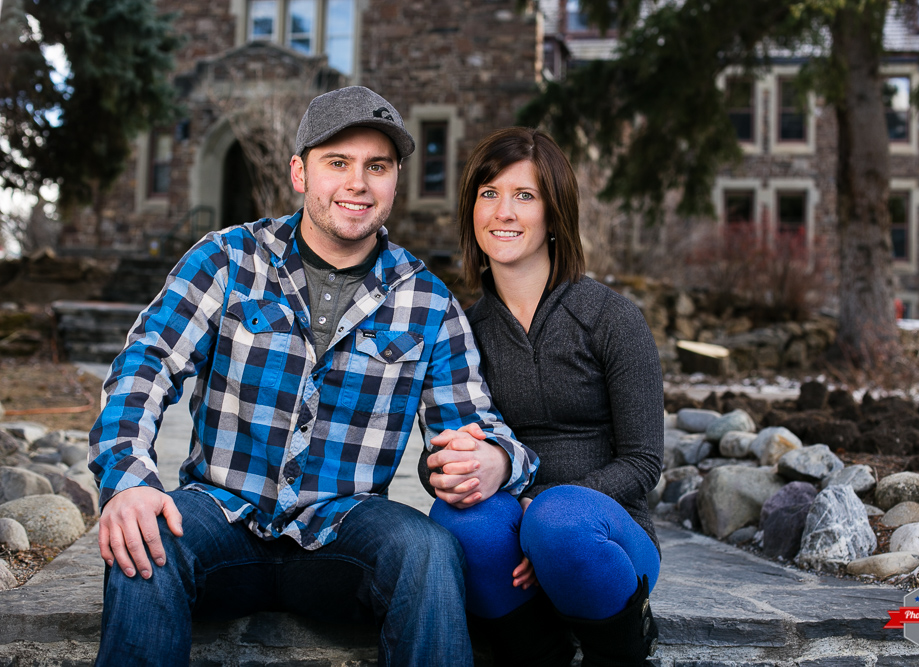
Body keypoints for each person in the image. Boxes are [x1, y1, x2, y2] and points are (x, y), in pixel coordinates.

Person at [88, 87, 538, 667]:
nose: (358, 183)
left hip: (342, 532)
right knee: (144, 537)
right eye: (338, 163)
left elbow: (472, 426)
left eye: (377, 167)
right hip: (221, 514)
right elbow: (145, 364)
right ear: (300, 172)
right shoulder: (228, 259)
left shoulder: (427, 302)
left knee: (427, 549)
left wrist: (497, 461)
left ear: (395, 180)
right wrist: (127, 480)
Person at [422, 127, 664, 666]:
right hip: (513, 543)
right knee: (457, 522)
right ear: (472, 210)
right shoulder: (462, 329)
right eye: (489, 194)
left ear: (554, 214)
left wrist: (544, 511)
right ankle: (537, 654)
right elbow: (439, 447)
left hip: (603, 534)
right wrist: (449, 468)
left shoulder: (610, 318)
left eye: (524, 196)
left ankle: (622, 651)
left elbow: (645, 462)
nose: (503, 211)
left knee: (560, 520)